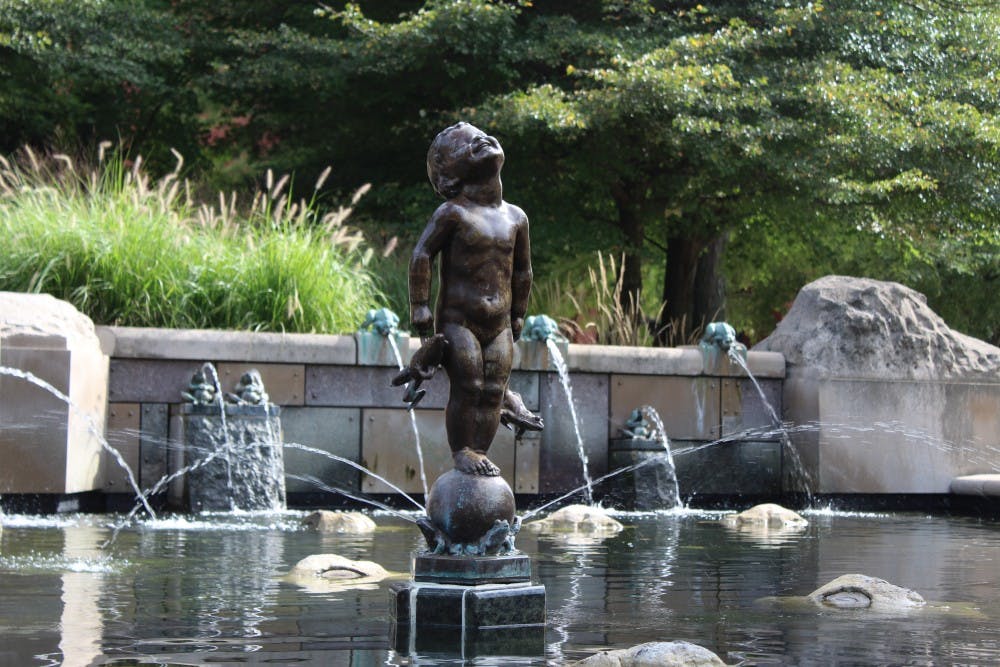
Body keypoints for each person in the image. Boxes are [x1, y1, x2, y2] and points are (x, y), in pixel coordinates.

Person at [403, 122, 537, 476]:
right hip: (458, 322)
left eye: (481, 137)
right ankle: (462, 449)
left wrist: (519, 313)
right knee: (469, 385)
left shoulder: (516, 217)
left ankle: (480, 451)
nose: (481, 140)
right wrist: (420, 306)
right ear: (449, 178)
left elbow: (523, 271)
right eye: (467, 145)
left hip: (500, 325)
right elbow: (421, 256)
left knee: (494, 390)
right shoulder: (453, 213)